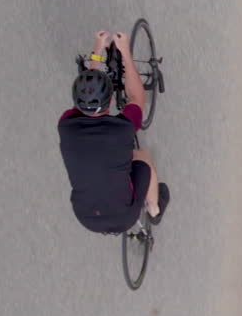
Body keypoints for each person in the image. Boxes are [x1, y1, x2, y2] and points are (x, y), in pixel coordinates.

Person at [59, 29, 169, 234]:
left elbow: (87, 94)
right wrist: (125, 52)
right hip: (124, 217)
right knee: (143, 157)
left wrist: (97, 52)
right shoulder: (123, 128)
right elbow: (136, 97)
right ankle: (155, 210)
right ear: (110, 101)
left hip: (86, 218)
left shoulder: (66, 125)